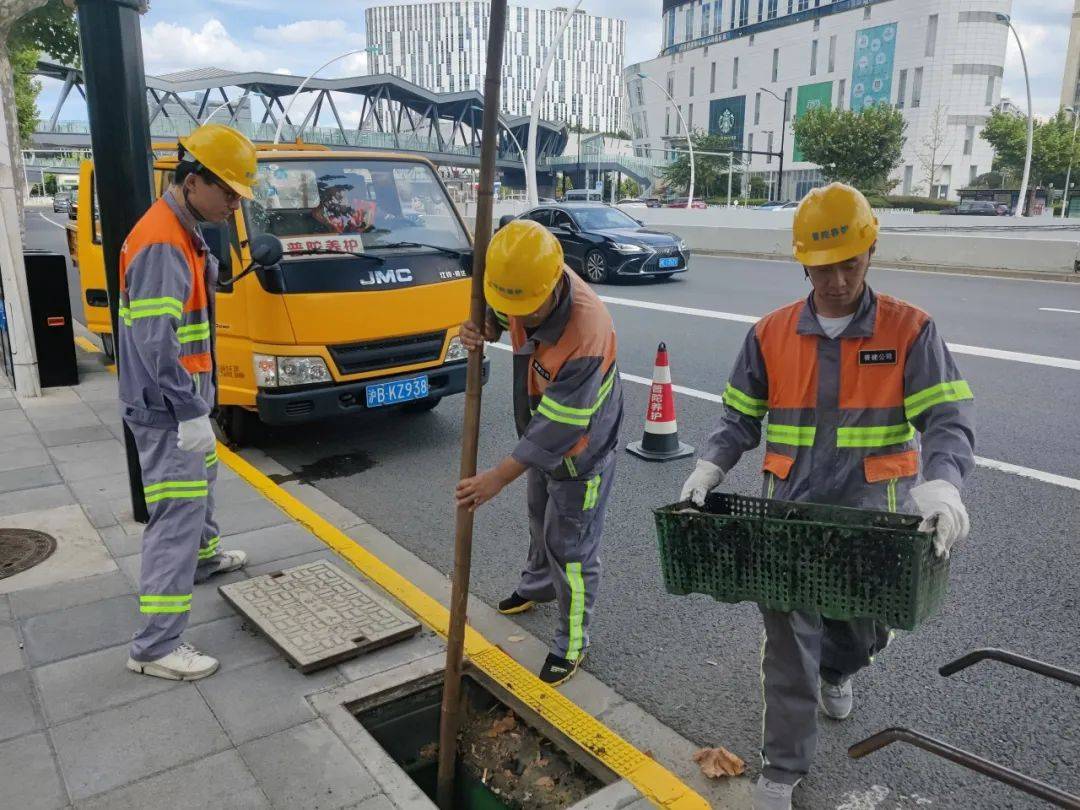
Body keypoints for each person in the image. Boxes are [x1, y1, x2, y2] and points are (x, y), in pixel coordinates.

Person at [679, 183, 975, 810]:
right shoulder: (771, 334)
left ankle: (839, 669)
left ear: (870, 252)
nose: (837, 279)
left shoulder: (910, 331)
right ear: (802, 262)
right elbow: (738, 419)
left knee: (859, 629)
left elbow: (946, 421)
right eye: (823, 266)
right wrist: (709, 466)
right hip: (788, 517)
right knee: (788, 649)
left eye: (850, 263)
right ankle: (782, 768)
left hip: (869, 521)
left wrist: (945, 483)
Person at [456, 219, 624, 686]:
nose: (522, 318)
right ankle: (537, 586)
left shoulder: (588, 329)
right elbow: (496, 314)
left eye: (528, 310)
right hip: (537, 424)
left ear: (554, 283)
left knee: (569, 544)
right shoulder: (517, 283)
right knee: (539, 518)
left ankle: (572, 642)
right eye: (514, 309)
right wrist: (481, 329)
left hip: (582, 448)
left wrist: (497, 476)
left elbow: (561, 428)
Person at [119, 123, 257, 681]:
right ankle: (154, 648)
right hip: (168, 408)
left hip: (182, 402)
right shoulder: (162, 241)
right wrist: (189, 410)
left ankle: (203, 559)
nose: (232, 205)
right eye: (227, 193)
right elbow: (158, 341)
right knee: (175, 515)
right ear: (194, 180)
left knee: (201, 491)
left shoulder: (183, 227)